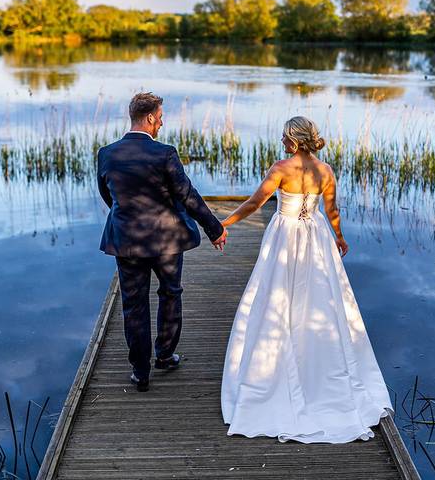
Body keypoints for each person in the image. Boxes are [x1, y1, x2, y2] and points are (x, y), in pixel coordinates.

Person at [219, 115, 392, 442]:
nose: (282, 141)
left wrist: (224, 223)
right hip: (316, 238)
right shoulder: (325, 171)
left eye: (286, 137)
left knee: (276, 297)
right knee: (320, 300)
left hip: (285, 237)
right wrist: (339, 237)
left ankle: (274, 374)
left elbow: (256, 203)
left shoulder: (281, 169)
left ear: (295, 140)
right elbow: (332, 210)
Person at [96, 92, 227, 392]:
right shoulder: (164, 153)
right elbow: (187, 195)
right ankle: (165, 355)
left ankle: (140, 372)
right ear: (151, 118)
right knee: (170, 293)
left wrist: (126, 215)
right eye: (161, 116)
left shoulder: (107, 153)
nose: (163, 122)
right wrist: (214, 228)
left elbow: (108, 195)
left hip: (126, 239)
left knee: (134, 305)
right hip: (167, 240)